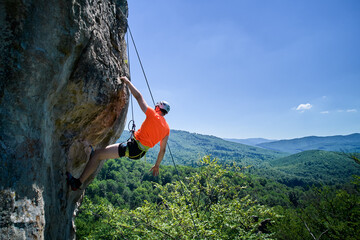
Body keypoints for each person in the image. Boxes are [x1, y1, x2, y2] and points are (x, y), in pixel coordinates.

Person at [67, 76, 170, 191]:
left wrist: (127, 82)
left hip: (133, 147)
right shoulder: (167, 128)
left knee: (97, 156)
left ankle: (77, 182)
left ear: (157, 107)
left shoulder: (153, 114)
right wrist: (157, 165)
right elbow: (163, 150)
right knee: (98, 153)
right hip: (139, 152)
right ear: (165, 113)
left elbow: (138, 97)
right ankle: (94, 155)